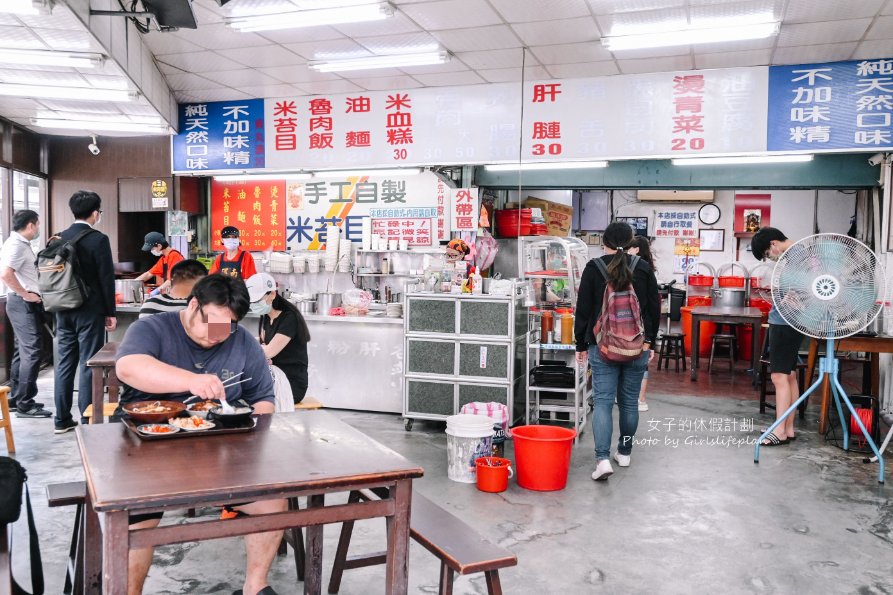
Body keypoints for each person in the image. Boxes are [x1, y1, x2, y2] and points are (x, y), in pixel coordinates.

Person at [115, 274, 280, 595]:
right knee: (135, 525)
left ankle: (255, 587)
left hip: (220, 452)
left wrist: (254, 438)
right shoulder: (152, 329)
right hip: (150, 450)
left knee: (272, 503)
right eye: (212, 323)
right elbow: (129, 367)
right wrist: (190, 380)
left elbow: (263, 399)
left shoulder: (238, 339)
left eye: (228, 326)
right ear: (193, 304)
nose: (217, 335)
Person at [575, 222, 660, 481]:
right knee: (629, 402)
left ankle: (602, 459)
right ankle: (624, 453)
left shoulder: (594, 268)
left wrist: (581, 344)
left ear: (605, 242)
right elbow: (654, 309)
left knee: (602, 401)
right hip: (637, 345)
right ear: (632, 242)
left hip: (602, 346)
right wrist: (650, 343)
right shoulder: (643, 268)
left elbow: (584, 309)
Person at [53, 191, 116, 434]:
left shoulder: (58, 238)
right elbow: (105, 278)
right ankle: (88, 418)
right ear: (95, 212)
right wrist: (110, 311)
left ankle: (61, 419)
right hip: (89, 311)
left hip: (61, 309)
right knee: (90, 362)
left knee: (65, 363)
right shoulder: (98, 239)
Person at [751, 227, 803, 446]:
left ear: (773, 244)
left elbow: (804, 291)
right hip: (794, 321)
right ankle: (787, 427)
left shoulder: (793, 258)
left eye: (766, 254)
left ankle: (780, 430)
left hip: (785, 322)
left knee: (779, 377)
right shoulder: (801, 254)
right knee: (789, 375)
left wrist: (791, 297)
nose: (769, 258)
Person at [0, 210, 52, 418]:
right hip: (20, 302)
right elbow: (5, 273)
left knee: (22, 351)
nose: (38, 229)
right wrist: (25, 294)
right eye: (38, 225)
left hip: (18, 302)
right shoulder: (16, 245)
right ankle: (25, 403)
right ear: (31, 225)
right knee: (32, 350)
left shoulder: (18, 244)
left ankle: (16, 398)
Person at [246, 273, 311, 404]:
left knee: (250, 397)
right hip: (272, 376)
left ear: (273, 294)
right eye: (252, 302)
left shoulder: (289, 318)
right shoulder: (266, 316)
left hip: (290, 383)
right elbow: (262, 341)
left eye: (258, 300)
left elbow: (269, 352)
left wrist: (254, 348)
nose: (254, 305)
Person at [628, 235, 656, 413]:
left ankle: (631, 396)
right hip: (644, 325)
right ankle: (641, 399)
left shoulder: (633, 269)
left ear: (636, 250)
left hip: (629, 324)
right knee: (642, 361)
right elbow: (654, 304)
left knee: (628, 359)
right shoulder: (648, 269)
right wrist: (651, 337)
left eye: (630, 248)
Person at [138, 259, 207, 318]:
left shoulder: (150, 303)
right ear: (203, 283)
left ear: (172, 280)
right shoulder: (203, 307)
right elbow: (214, 332)